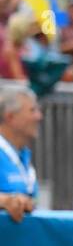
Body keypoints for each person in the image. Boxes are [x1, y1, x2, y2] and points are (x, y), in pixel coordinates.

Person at [0, 84, 41, 224]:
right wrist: (4, 200)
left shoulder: (23, 155)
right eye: (32, 110)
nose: (39, 116)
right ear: (10, 117)